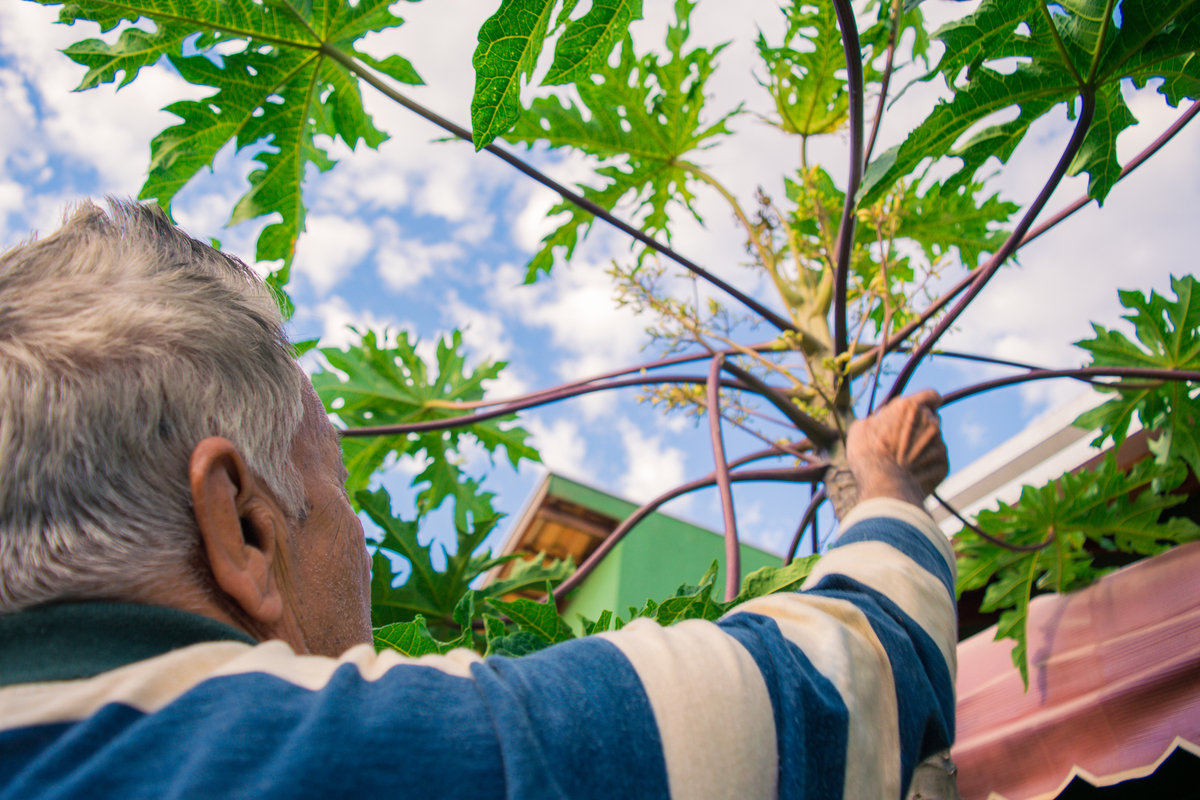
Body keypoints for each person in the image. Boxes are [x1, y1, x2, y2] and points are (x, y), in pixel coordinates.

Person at [0, 200, 956, 800]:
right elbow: (854, 678)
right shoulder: (414, 760)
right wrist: (887, 487)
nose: (358, 544)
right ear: (244, 531)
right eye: (334, 504)